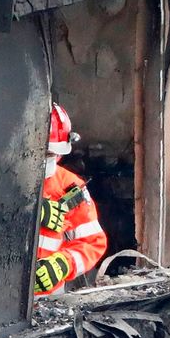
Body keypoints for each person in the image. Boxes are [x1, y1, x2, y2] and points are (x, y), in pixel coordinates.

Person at [33, 104, 108, 296]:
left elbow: (93, 242)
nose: (46, 160)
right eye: (39, 154)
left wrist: (64, 264)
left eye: (50, 154)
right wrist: (30, 211)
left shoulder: (70, 187)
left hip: (47, 303)